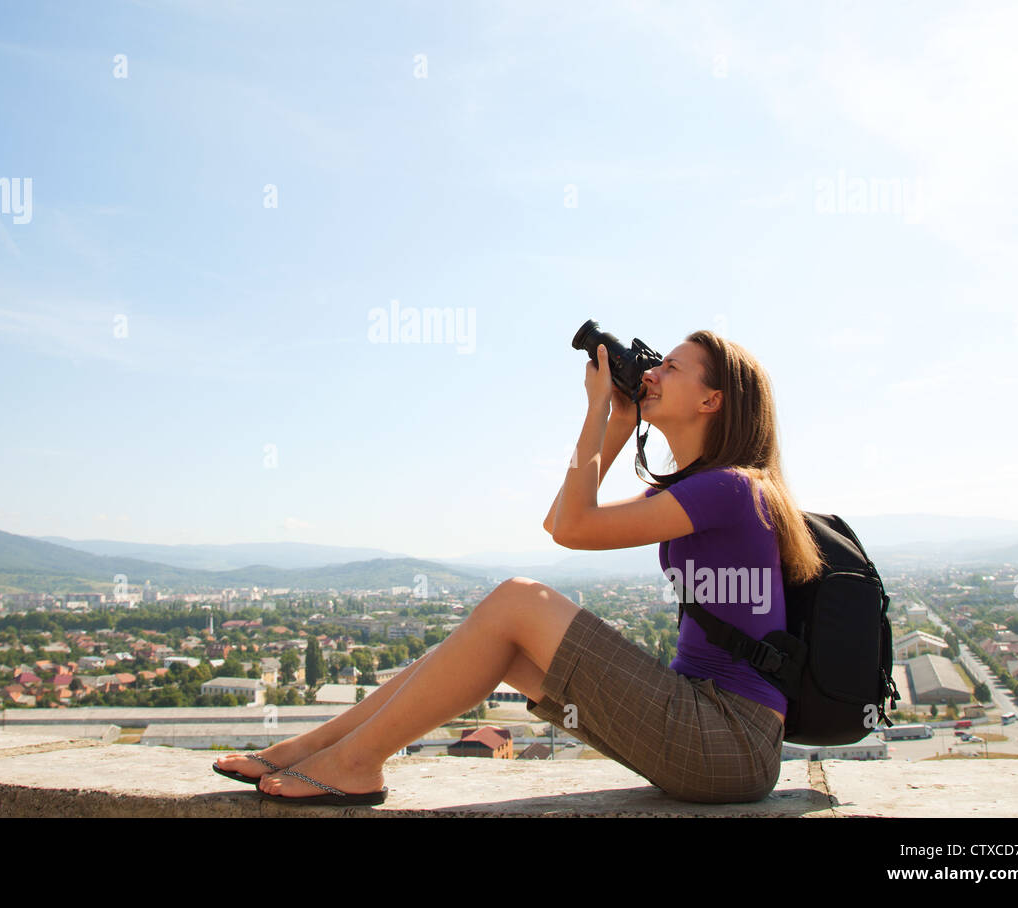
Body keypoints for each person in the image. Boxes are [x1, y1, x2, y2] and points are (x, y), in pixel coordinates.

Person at [213, 328, 823, 805]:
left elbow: (575, 527)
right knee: (502, 646)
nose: (654, 374)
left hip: (725, 740)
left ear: (712, 400)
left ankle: (353, 765)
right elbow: (561, 523)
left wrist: (596, 413)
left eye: (671, 367)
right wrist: (616, 420)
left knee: (516, 600)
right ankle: (313, 747)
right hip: (708, 731)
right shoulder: (704, 487)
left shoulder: (733, 489)